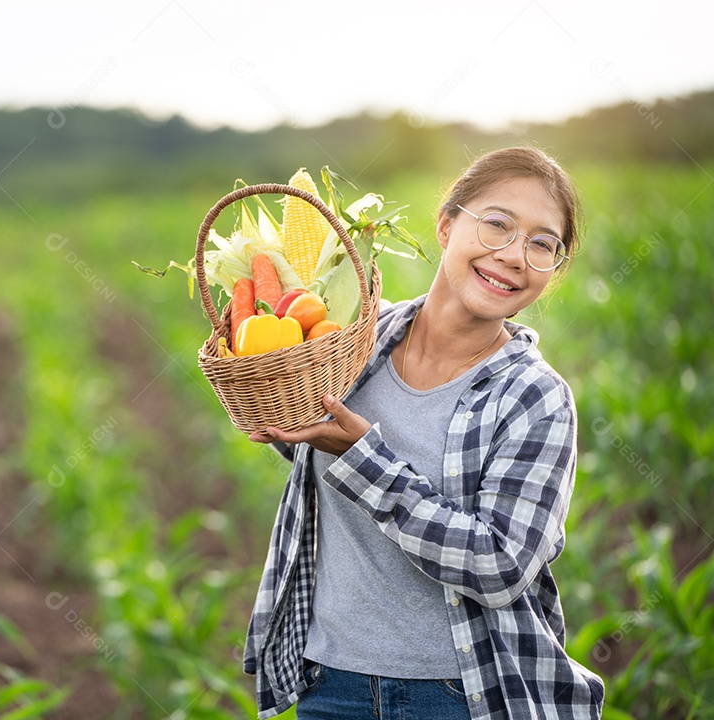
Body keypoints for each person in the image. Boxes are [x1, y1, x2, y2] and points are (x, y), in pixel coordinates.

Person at [243, 146, 605, 720]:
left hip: (461, 694)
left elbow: (501, 565)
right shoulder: (354, 340)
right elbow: (307, 446)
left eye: (543, 244)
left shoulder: (534, 397)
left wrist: (366, 460)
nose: (514, 256)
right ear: (446, 224)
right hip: (329, 682)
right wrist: (279, 410)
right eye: (497, 225)